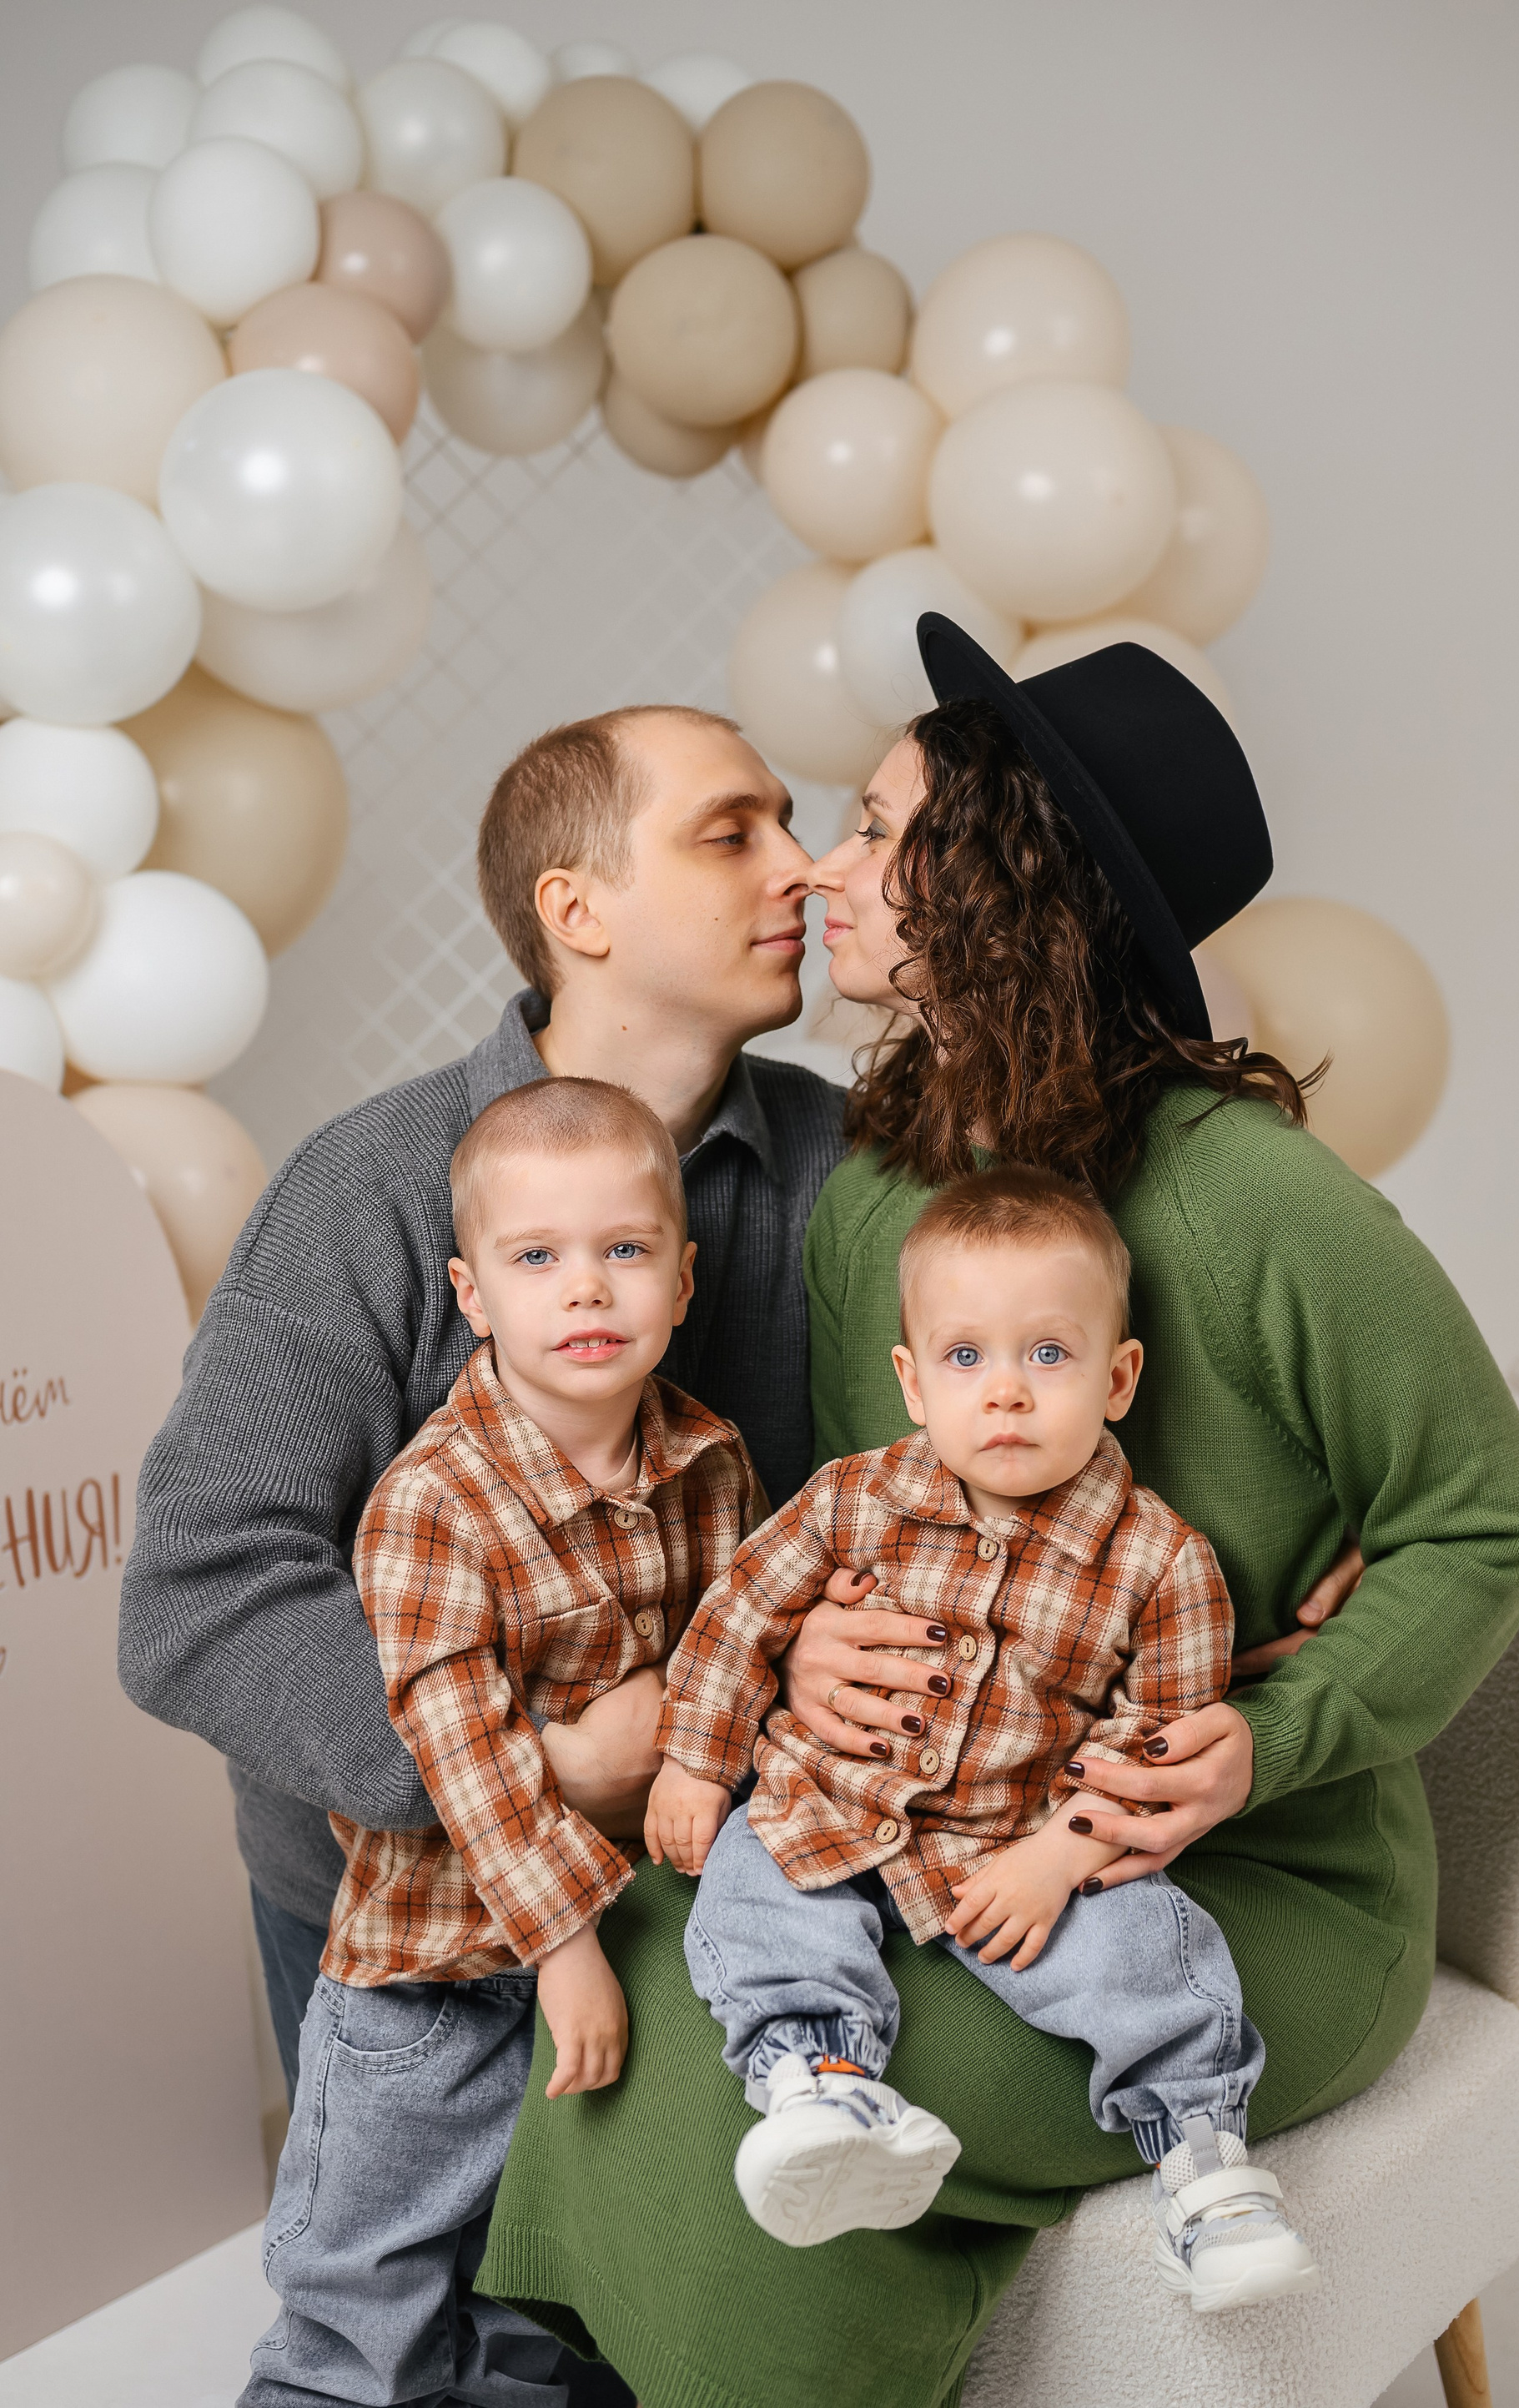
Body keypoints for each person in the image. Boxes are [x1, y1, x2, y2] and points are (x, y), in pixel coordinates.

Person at [475, 625, 1519, 2408]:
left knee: (824, 2105)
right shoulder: (874, 1194)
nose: (823, 869)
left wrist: (1273, 1729)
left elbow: (1483, 1519)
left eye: (878, 831)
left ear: (1002, 882)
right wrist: (812, 1655)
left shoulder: (1259, 1201)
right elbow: (867, 1517)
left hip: (1243, 1878)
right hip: (938, 1813)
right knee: (666, 1965)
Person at [119, 703, 852, 2109]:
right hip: (409, 1933)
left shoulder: (851, 1167)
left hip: (725, 1889)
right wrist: (540, 1774)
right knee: (408, 2259)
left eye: (791, 821)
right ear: (576, 911)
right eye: (731, 834)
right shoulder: (363, 1189)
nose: (801, 866)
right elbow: (197, 1595)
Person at [649, 1166, 1319, 2314]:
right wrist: (694, 1761)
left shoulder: (1161, 1560)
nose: (1006, 1392)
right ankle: (821, 2085)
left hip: (1017, 1837)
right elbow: (739, 1615)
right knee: (754, 1884)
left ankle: (1207, 2169)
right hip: (832, 1801)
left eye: (1048, 1355)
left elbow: (1155, 1744)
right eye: (966, 1357)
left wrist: (1063, 1854)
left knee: (1146, 1946)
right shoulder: (851, 1499)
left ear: (1118, 1379)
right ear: (913, 1382)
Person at [242, 1078, 763, 2408]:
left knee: (538, 2313)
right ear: (474, 1296)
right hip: (435, 1976)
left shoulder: (710, 1461)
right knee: (362, 2315)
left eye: (624, 1250)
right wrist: (565, 1945)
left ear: (681, 1280)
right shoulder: (434, 1502)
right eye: (538, 1258)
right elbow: (461, 1750)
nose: (586, 1288)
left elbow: (736, 1654)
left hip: (623, 1953)